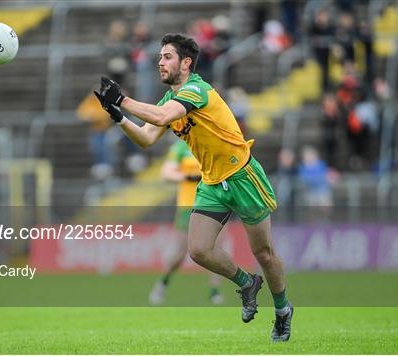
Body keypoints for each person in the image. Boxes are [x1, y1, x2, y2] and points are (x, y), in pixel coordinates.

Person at [94, 33, 293, 342]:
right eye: (159, 57)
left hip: (243, 177)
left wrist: (123, 99)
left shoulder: (197, 90)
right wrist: (118, 116)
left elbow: (161, 116)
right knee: (198, 250)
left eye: (167, 57)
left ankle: (282, 311)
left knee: (264, 253)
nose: (160, 62)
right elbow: (147, 138)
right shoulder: (168, 100)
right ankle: (247, 283)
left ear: (186, 63)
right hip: (212, 182)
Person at [149, 140, 224, 305]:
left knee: (216, 249)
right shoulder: (181, 147)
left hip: (214, 203)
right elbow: (166, 173)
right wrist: (187, 176)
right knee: (181, 253)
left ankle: (215, 291)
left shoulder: (212, 142)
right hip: (187, 206)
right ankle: (163, 282)